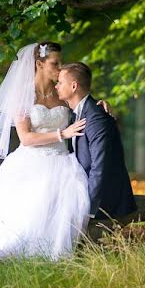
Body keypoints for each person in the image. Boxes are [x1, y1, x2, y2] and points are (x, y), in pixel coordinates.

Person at [0, 41, 90, 259]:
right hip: (31, 160)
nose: (60, 68)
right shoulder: (23, 95)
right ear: (39, 63)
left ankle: (54, 252)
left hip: (61, 160)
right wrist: (62, 134)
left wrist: (101, 105)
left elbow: (81, 102)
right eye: (55, 63)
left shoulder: (61, 90)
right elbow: (26, 138)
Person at [55, 62, 137, 222]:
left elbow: (100, 166)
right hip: (78, 186)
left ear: (74, 86)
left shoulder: (96, 117)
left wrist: (89, 208)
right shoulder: (74, 114)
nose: (56, 86)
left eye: (60, 82)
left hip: (102, 200)